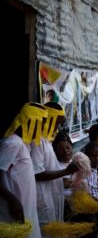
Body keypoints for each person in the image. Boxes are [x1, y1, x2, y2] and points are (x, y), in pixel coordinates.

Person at [0, 102, 47, 238]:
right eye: (40, 126)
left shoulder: (23, 144)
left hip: (25, 212)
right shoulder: (12, 143)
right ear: (31, 123)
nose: (42, 131)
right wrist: (12, 199)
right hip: (11, 215)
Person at [30, 102, 78, 226]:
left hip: (50, 196)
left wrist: (61, 180)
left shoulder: (47, 141)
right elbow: (37, 174)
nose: (57, 127)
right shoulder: (37, 141)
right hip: (41, 198)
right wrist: (65, 172)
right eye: (56, 123)